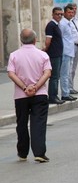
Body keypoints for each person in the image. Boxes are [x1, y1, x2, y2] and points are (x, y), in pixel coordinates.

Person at [7, 28, 52, 163]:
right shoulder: (43, 55)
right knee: (38, 123)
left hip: (21, 95)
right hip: (40, 95)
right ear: (35, 39)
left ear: (21, 40)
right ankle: (39, 152)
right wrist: (36, 87)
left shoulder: (14, 55)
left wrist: (25, 87)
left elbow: (11, 73)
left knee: (21, 123)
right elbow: (47, 73)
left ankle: (22, 152)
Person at [43, 7, 65, 105]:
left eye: (61, 14)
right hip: (54, 55)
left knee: (56, 76)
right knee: (54, 77)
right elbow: (48, 41)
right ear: (52, 14)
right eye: (57, 14)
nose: (59, 16)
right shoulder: (51, 25)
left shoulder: (57, 25)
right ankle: (52, 96)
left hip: (58, 54)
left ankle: (54, 95)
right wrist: (45, 50)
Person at [59, 5, 78, 101]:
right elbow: (60, 38)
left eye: (72, 12)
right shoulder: (62, 24)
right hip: (65, 52)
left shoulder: (69, 23)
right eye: (69, 12)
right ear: (65, 13)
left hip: (70, 51)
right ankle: (65, 94)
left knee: (68, 73)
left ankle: (67, 92)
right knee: (64, 74)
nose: (71, 14)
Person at [66, 3, 78, 95]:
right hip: (70, 47)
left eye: (75, 9)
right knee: (69, 69)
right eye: (72, 10)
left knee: (74, 68)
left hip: (76, 46)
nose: (74, 11)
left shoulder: (76, 20)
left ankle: (71, 86)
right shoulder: (67, 21)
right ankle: (69, 88)